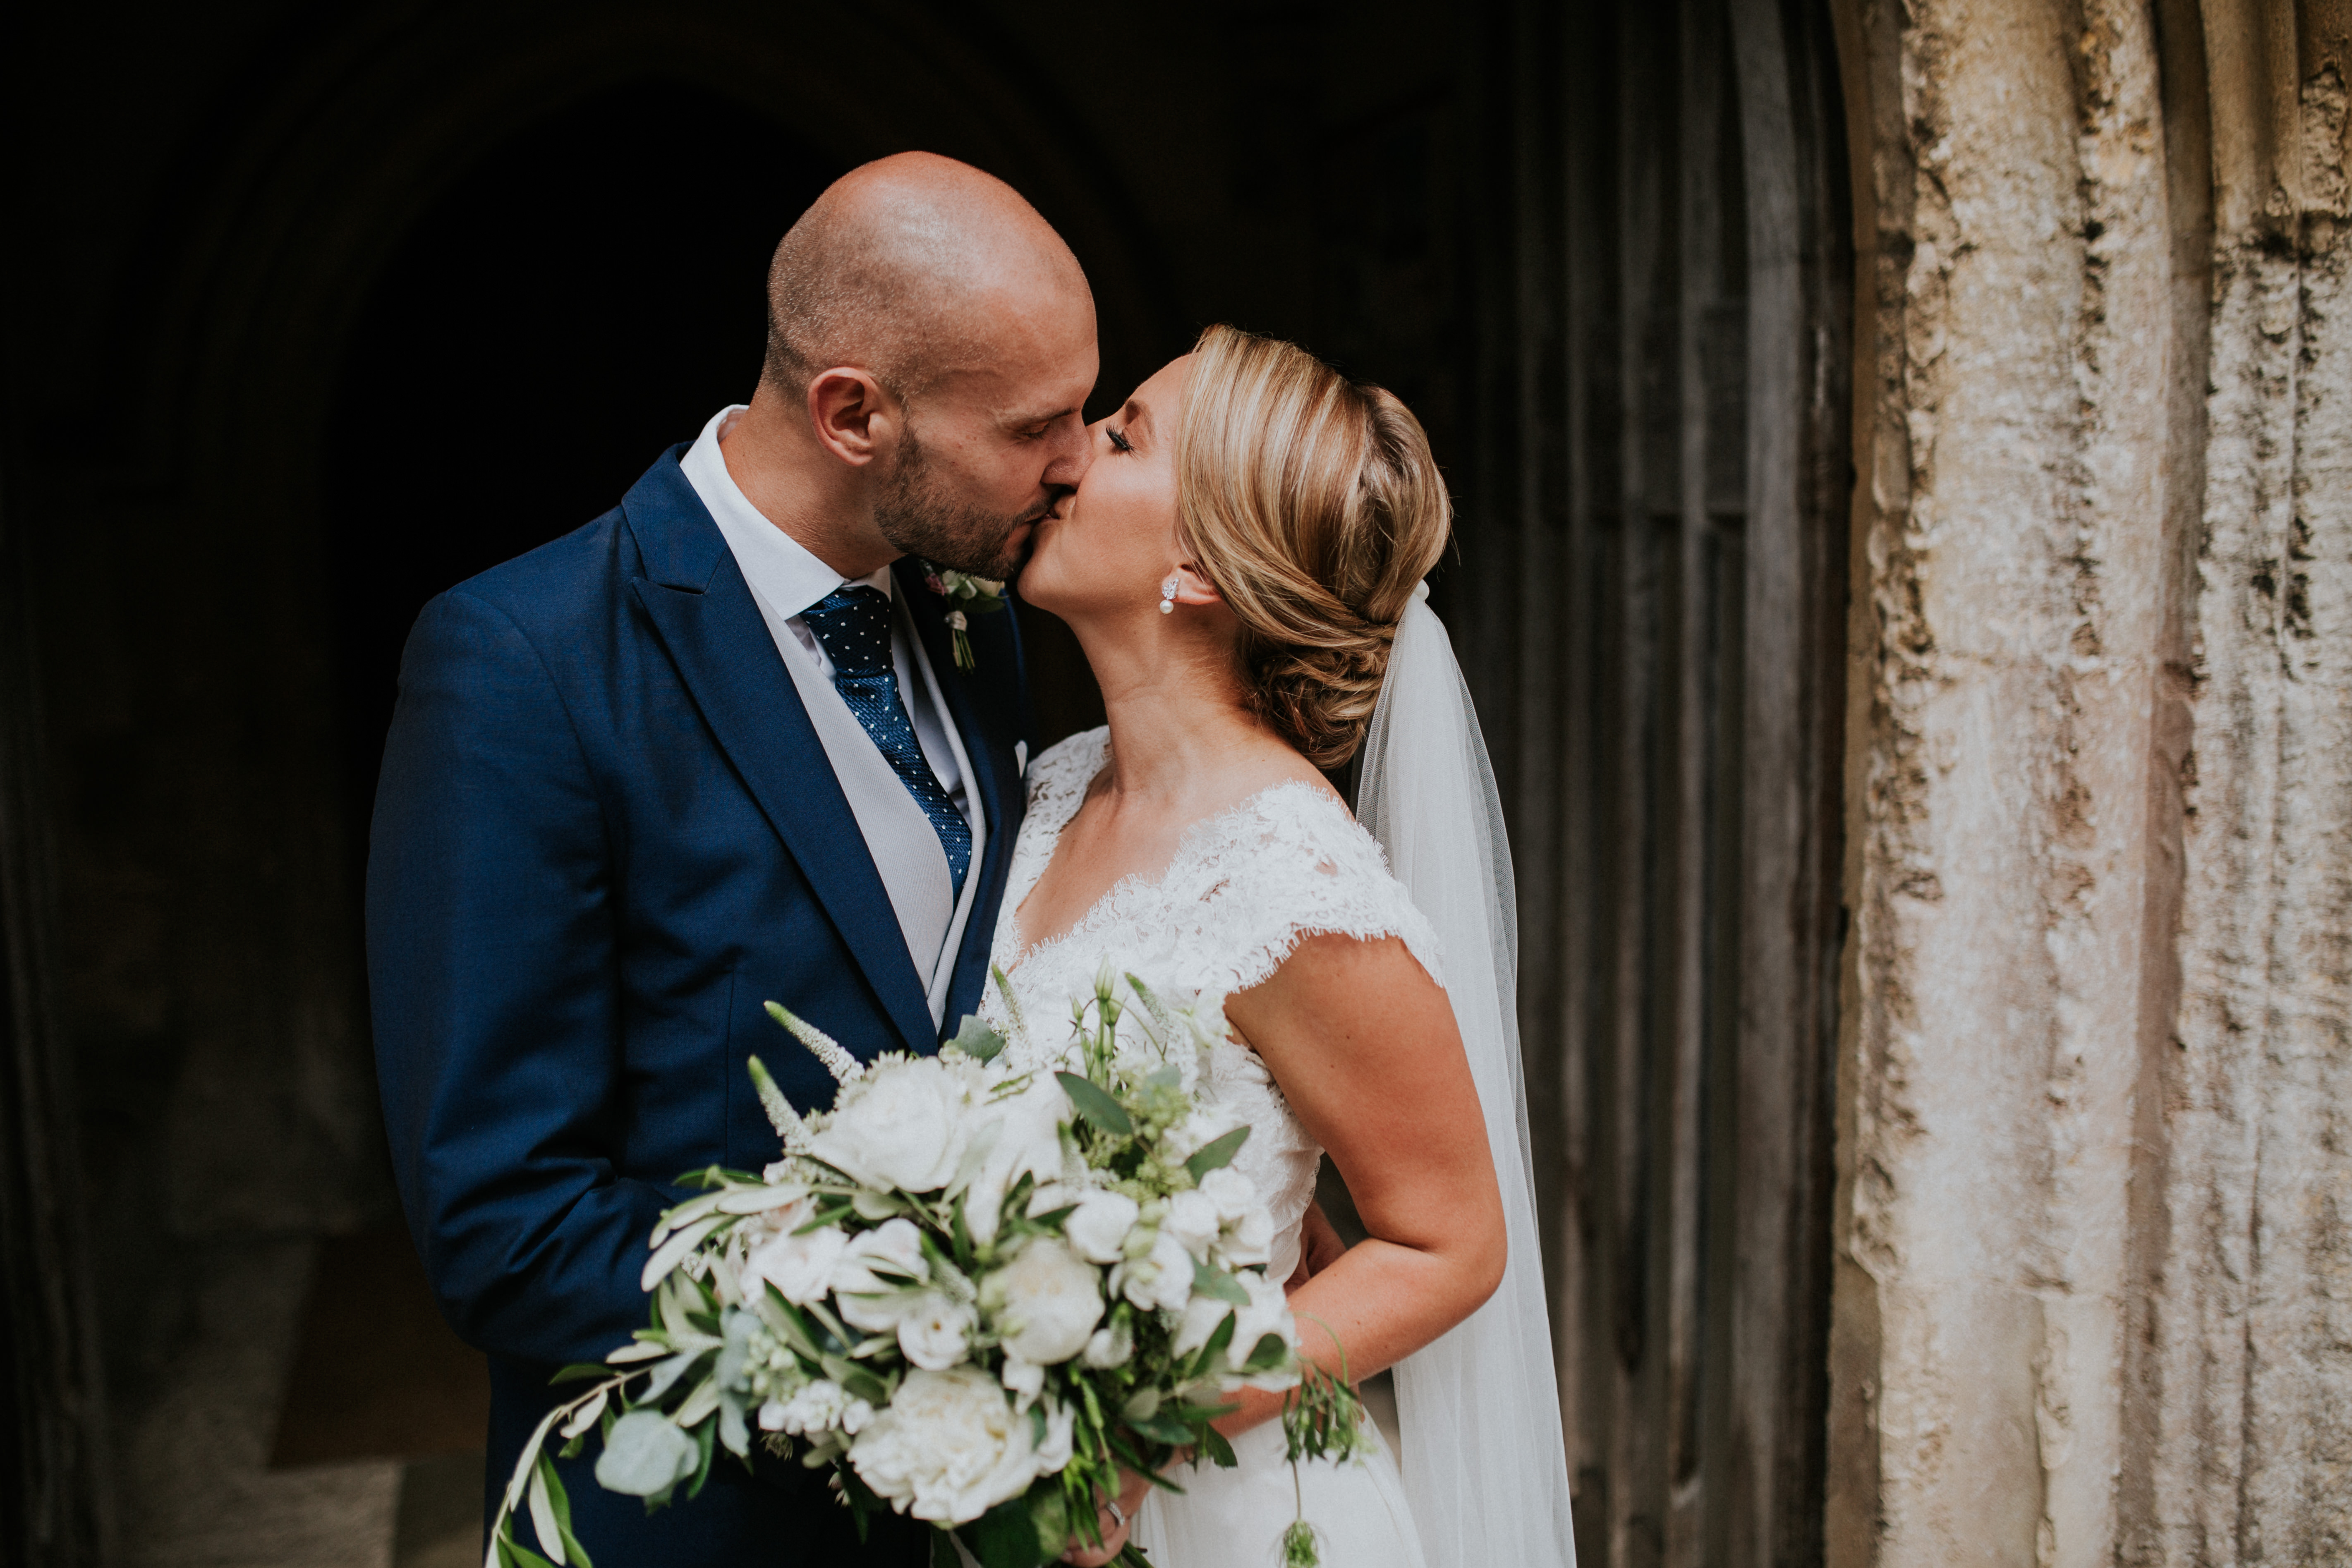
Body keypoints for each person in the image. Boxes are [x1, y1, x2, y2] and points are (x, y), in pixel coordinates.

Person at [365, 152, 1097, 1566]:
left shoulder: (976, 615)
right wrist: (905, 1329)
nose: (1076, 461)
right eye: (1034, 425)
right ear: (854, 414)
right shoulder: (521, 666)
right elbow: (504, 1221)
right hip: (695, 1516)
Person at [986, 324, 1579, 1567]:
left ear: (1197, 567)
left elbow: (1451, 1243)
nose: (1070, 455)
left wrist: (1140, 1426)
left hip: (1212, 1513)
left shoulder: (1295, 888)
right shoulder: (1057, 785)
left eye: (1124, 433)